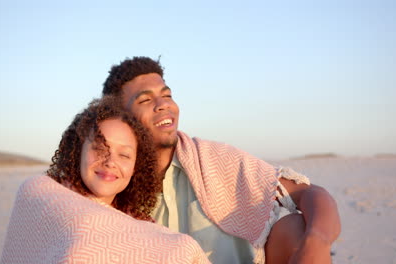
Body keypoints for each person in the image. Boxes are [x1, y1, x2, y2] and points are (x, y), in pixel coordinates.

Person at [102, 57, 341, 264]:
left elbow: (310, 194)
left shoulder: (213, 159)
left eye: (167, 95)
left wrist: (316, 241)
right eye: (145, 100)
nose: (163, 104)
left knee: (293, 228)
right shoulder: (111, 180)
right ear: (121, 118)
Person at [1, 96, 210, 264]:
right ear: (77, 151)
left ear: (136, 166)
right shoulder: (40, 192)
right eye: (100, 148)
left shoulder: (140, 222)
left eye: (125, 155)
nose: (110, 162)